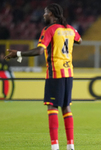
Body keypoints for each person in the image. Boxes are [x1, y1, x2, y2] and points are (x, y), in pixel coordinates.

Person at [5, 3, 82, 150]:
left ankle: (54, 146)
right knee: (66, 108)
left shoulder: (49, 29)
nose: (44, 15)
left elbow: (40, 51)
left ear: (52, 14)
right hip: (69, 73)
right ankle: (70, 145)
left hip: (55, 72)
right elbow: (80, 40)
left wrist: (18, 54)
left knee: (52, 107)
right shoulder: (70, 29)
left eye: (46, 13)